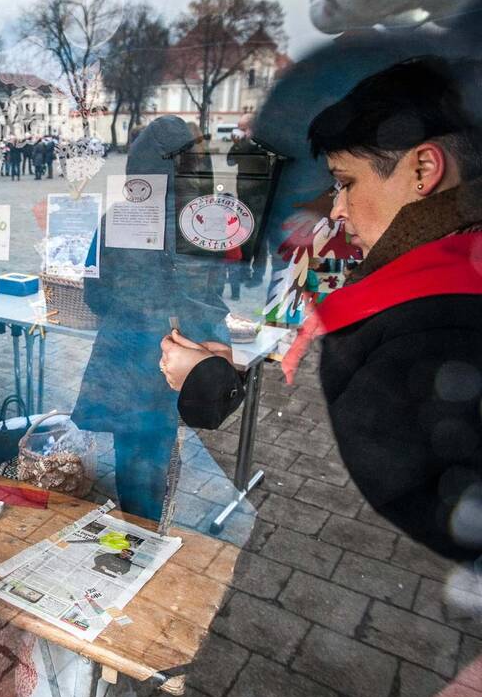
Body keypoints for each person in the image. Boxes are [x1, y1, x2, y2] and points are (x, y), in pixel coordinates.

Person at [163, 57, 482, 561]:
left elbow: (404, 451)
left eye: (346, 183)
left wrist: (211, 380)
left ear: (423, 169)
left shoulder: (437, 317)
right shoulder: (447, 272)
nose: (335, 209)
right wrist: (241, 360)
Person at [72, 116, 230, 521]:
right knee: (155, 458)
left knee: (133, 456)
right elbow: (208, 298)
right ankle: (145, 534)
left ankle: (138, 531)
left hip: (126, 355)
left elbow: (94, 292)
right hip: (174, 358)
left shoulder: (118, 215)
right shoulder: (204, 221)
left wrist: (128, 313)